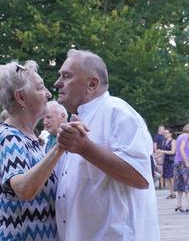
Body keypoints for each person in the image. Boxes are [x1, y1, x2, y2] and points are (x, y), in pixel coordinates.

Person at [54, 49, 160, 241]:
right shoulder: (82, 117)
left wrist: (85, 148)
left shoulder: (117, 112)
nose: (57, 82)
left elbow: (140, 177)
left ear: (92, 84)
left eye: (66, 76)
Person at [0, 60, 85, 241]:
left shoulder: (29, 137)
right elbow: (24, 189)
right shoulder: (9, 138)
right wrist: (60, 147)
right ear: (21, 98)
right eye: (40, 88)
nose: (47, 93)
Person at [173, 123, 189, 214]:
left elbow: (184, 152)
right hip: (184, 164)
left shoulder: (179, 137)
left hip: (177, 162)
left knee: (179, 185)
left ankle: (179, 205)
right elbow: (181, 149)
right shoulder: (185, 137)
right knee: (188, 184)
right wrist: (187, 162)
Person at [157, 127, 176, 199]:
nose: (165, 134)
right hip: (166, 161)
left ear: (170, 134)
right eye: (164, 133)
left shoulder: (173, 141)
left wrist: (162, 151)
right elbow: (162, 152)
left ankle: (174, 192)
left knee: (171, 177)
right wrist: (155, 157)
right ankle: (171, 193)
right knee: (167, 178)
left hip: (171, 161)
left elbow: (173, 152)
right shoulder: (164, 141)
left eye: (166, 133)